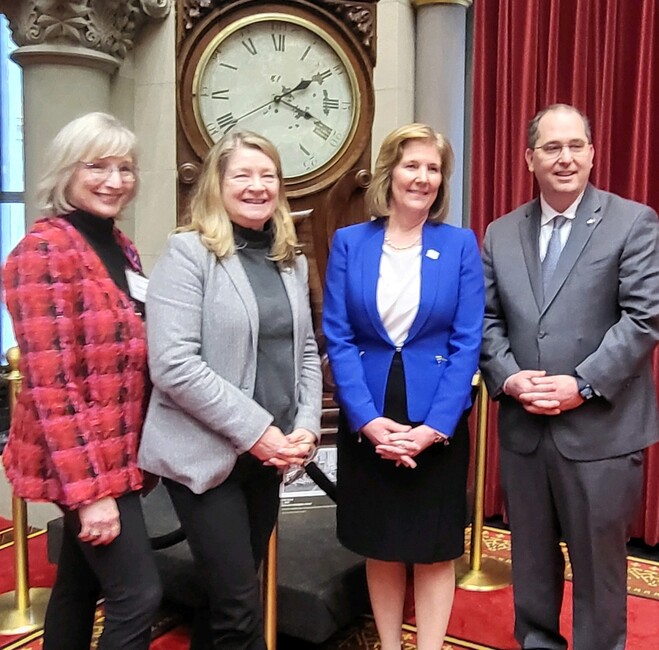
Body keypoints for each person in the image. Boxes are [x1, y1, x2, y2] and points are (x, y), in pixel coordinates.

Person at [480, 103, 659, 650]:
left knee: (600, 576)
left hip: (601, 432)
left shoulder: (633, 221)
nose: (565, 158)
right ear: (530, 157)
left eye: (575, 146)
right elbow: (488, 322)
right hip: (525, 432)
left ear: (592, 152)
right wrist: (509, 379)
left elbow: (644, 317)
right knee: (530, 566)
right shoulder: (499, 232)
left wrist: (579, 384)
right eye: (552, 148)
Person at [138, 130, 322, 650]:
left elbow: (305, 352)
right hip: (205, 457)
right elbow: (173, 366)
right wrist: (258, 431)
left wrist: (305, 428)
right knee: (240, 608)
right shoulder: (187, 253)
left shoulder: (291, 259)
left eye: (268, 176)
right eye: (242, 174)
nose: (257, 186)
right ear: (217, 183)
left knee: (229, 602)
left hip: (267, 458)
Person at [2, 112, 162, 650]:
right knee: (137, 595)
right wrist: (92, 495)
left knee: (77, 584)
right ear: (67, 171)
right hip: (83, 464)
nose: (115, 181)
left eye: (125, 168)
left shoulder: (120, 245)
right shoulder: (42, 252)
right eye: (98, 166)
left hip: (119, 452)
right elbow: (53, 388)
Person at [323, 123, 484, 650]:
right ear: (389, 172)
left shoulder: (459, 245)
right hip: (370, 412)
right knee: (382, 543)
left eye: (433, 168)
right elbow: (339, 338)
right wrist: (366, 421)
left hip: (436, 412)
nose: (422, 177)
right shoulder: (351, 242)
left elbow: (467, 343)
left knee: (435, 548)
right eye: (411, 165)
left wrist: (436, 428)